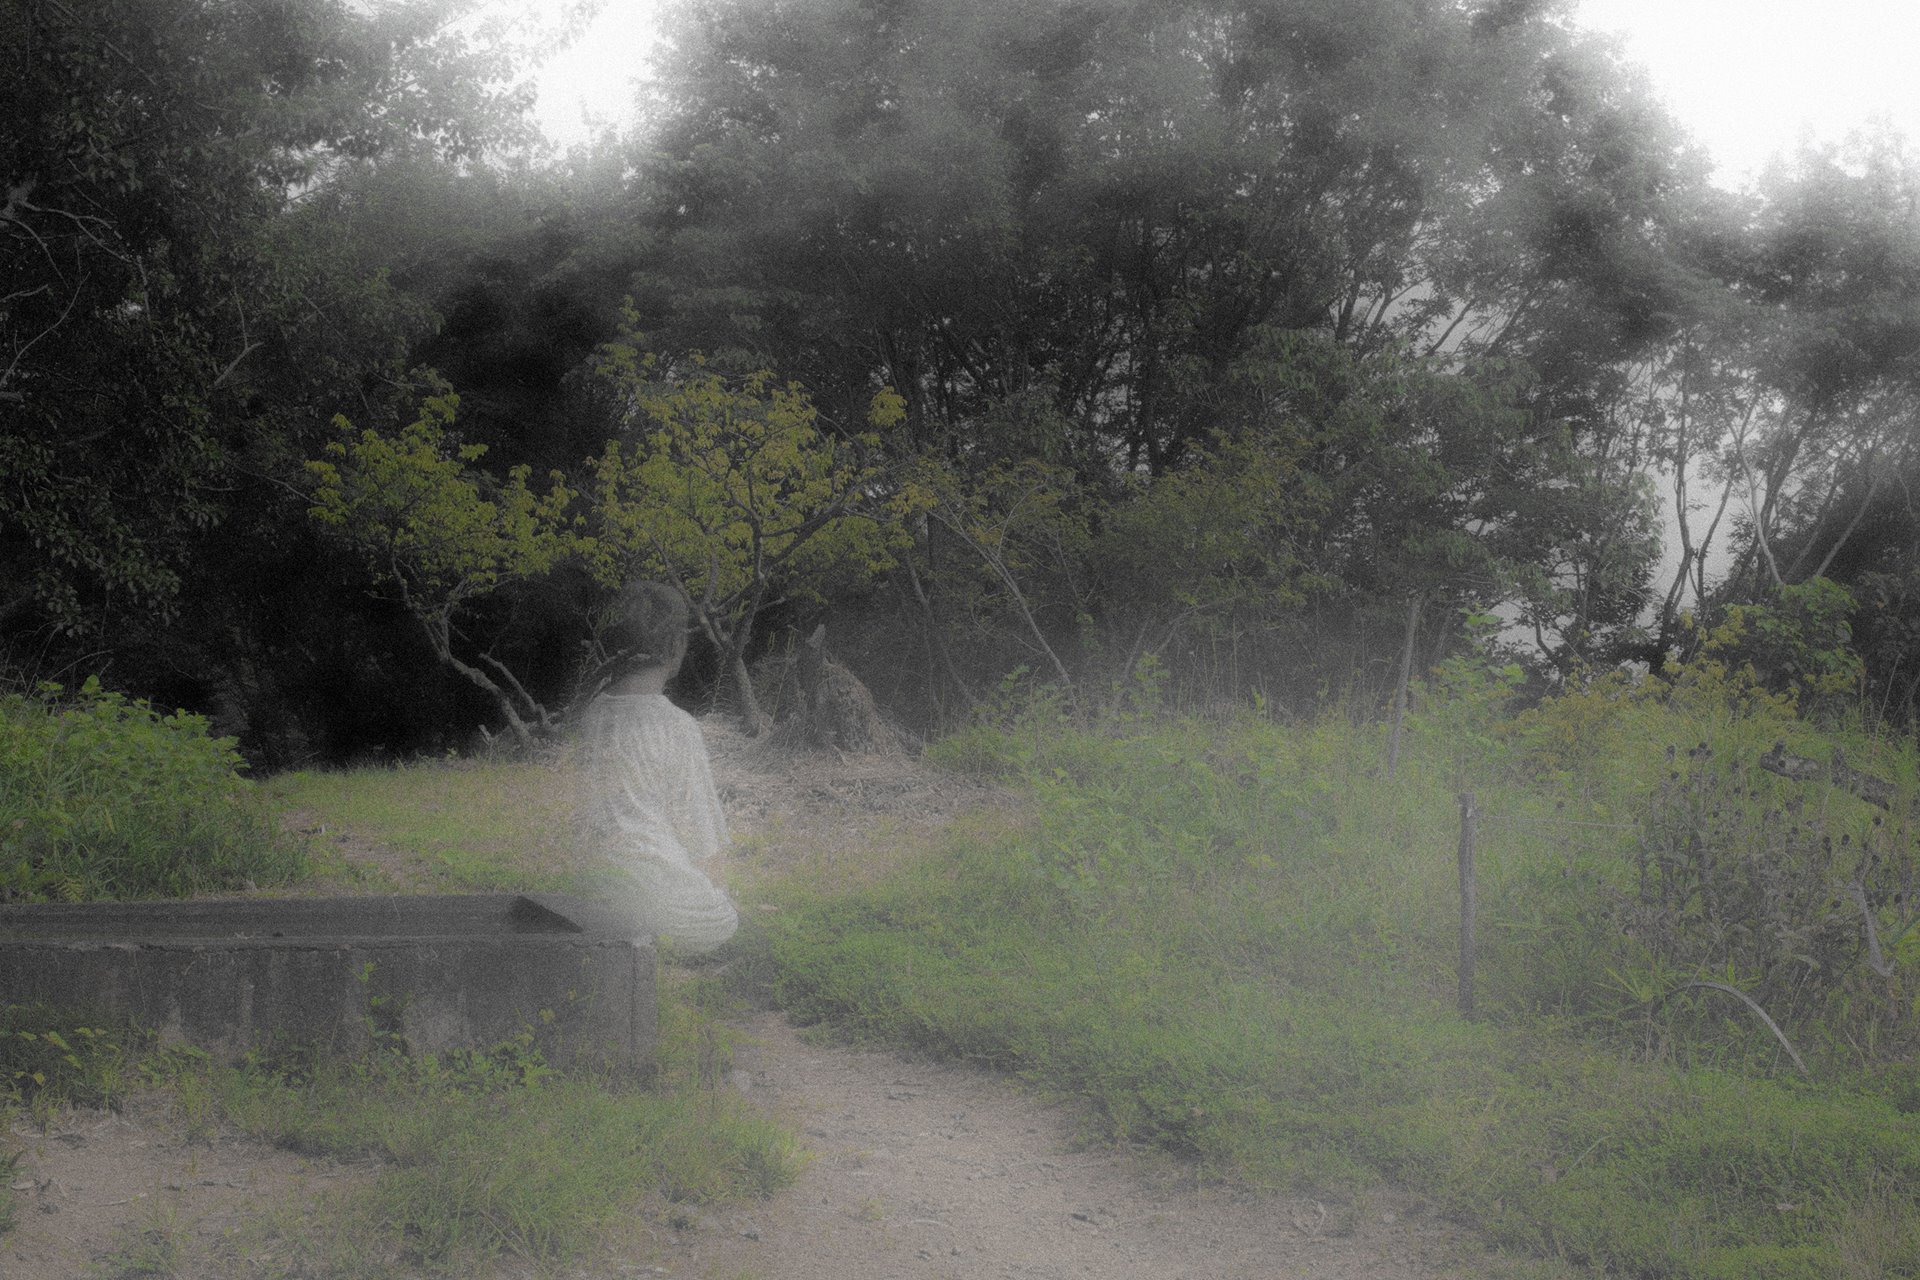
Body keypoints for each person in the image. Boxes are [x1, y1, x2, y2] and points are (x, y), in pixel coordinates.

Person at [574, 581, 739, 954]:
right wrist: (720, 896)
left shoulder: (594, 713)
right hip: (654, 891)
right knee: (724, 920)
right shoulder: (677, 725)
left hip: (599, 888)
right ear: (675, 646)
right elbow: (705, 838)